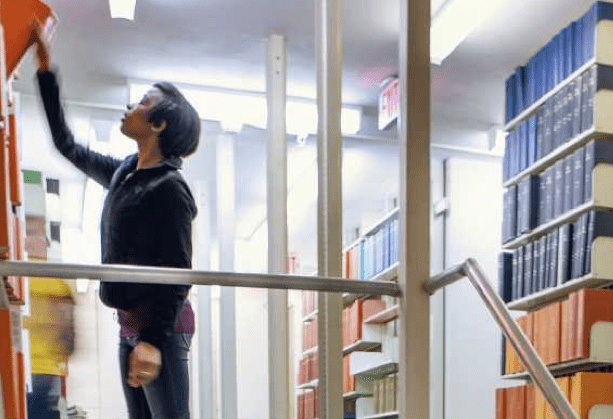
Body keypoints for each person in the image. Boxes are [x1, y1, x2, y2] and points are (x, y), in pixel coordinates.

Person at [30, 24, 199, 419]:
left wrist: (154, 342)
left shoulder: (170, 188)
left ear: (159, 124)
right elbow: (66, 146)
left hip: (163, 328)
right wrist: (44, 69)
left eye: (143, 102)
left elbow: (178, 271)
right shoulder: (125, 172)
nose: (130, 107)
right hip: (129, 326)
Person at [23, 275, 75, 419]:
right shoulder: (56, 279)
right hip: (45, 371)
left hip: (16, 367)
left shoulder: (13, 272)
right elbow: (70, 342)